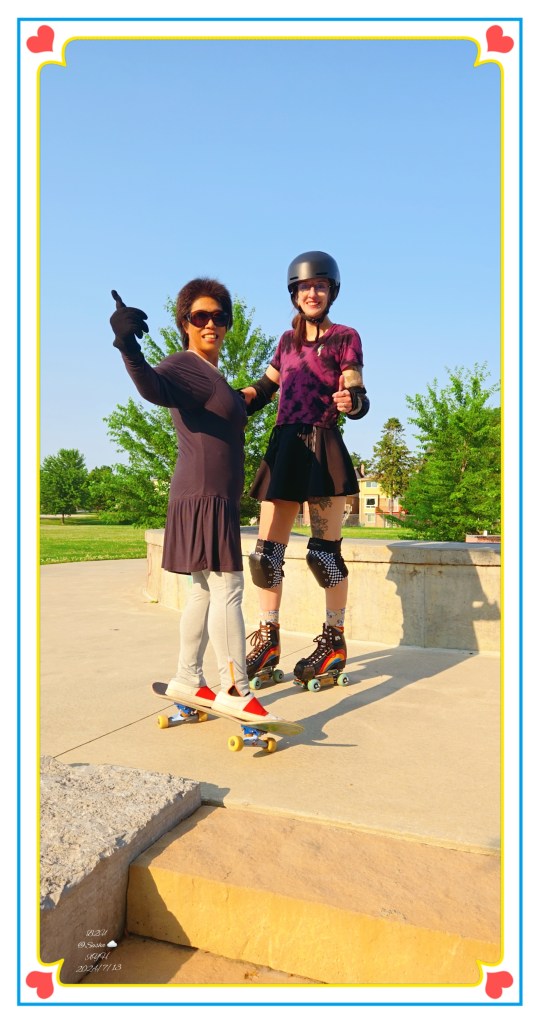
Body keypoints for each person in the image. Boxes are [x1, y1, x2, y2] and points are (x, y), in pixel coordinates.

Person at [109, 280, 280, 724]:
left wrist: (276, 374)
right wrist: (127, 345)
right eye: (200, 316)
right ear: (184, 323)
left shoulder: (211, 377)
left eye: (219, 317)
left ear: (227, 324)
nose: (210, 324)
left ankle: (187, 677)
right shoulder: (184, 366)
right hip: (205, 496)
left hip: (204, 495)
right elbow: (152, 386)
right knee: (228, 589)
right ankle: (235, 689)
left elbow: (242, 403)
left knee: (204, 589)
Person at [241, 251, 369, 686]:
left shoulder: (344, 337)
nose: (312, 293)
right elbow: (266, 386)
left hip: (322, 445)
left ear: (331, 291)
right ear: (294, 294)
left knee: (324, 554)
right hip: (285, 446)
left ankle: (334, 640)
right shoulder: (286, 342)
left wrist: (353, 402)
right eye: (304, 287)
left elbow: (356, 388)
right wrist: (235, 398)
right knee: (266, 555)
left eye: (320, 286)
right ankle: (268, 638)